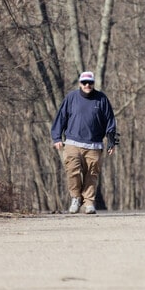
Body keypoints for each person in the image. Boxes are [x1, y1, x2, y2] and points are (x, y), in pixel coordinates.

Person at [51, 71, 117, 214]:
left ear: (93, 83)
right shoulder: (71, 98)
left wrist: (111, 142)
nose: (87, 85)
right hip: (72, 142)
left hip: (94, 144)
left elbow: (110, 121)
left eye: (90, 83)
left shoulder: (102, 99)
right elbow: (61, 118)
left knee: (92, 174)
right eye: (84, 83)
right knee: (72, 171)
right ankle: (75, 198)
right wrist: (57, 138)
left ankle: (89, 203)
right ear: (80, 83)